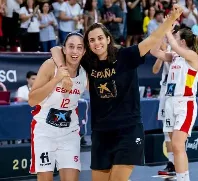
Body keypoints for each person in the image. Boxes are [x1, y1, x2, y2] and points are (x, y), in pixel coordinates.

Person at [50, 4, 183, 181]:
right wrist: (62, 71)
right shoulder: (88, 62)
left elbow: (151, 40)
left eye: (99, 38)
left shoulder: (126, 55)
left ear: (107, 38)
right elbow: (56, 50)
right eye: (92, 40)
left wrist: (170, 20)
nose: (96, 43)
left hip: (128, 130)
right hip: (101, 132)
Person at [28, 32, 86, 181]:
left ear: (84, 51)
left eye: (79, 47)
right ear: (64, 49)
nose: (75, 51)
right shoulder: (50, 65)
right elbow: (32, 100)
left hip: (69, 132)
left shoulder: (85, 72)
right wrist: (57, 79)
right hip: (44, 131)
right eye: (71, 47)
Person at [151, 27, 198, 181]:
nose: (172, 37)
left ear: (183, 41)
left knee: (179, 146)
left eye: (176, 36)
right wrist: (161, 32)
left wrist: (168, 27)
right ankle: (179, 176)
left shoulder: (193, 56)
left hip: (185, 104)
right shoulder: (174, 56)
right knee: (173, 146)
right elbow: (154, 51)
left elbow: (174, 45)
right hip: (170, 103)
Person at [151, 40, 176, 176]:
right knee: (166, 130)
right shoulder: (162, 52)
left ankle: (175, 162)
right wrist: (161, 57)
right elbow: (154, 70)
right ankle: (171, 162)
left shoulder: (175, 51)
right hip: (164, 90)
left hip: (174, 91)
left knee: (173, 130)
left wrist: (165, 52)